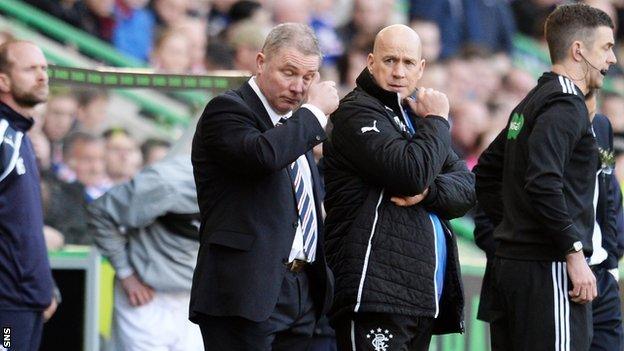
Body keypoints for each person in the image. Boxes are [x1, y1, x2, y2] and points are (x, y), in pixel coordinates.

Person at [473, 4, 617, 350]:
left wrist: (515, 228)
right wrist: (572, 251)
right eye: (606, 48)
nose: (612, 59)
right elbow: (543, 180)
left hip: (514, 269)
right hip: (549, 270)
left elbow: (486, 171)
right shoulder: (567, 104)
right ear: (578, 50)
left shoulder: (532, 101)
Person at [323, 24, 475, 350]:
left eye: (408, 63)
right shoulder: (356, 111)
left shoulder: (414, 116)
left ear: (421, 69)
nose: (398, 71)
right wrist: (437, 121)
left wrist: (430, 193)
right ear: (370, 61)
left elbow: (466, 188)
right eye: (390, 60)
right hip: (374, 292)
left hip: (418, 295)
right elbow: (410, 174)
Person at [189, 23, 339, 350]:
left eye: (308, 77)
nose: (299, 87)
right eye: (289, 72)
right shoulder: (227, 109)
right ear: (260, 62)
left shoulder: (296, 127)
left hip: (304, 290)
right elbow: (263, 156)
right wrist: (314, 112)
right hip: (245, 293)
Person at [89, 155, 203, 351]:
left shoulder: (258, 189)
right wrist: (125, 273)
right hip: (146, 297)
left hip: (197, 301)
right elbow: (101, 213)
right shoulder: (166, 181)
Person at [0, 40, 56, 350]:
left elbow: (23, 224)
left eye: (45, 68)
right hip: (6, 305)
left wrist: (44, 285)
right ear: (3, 80)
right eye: (30, 69)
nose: (42, 76)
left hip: (28, 300)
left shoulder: (19, 134)